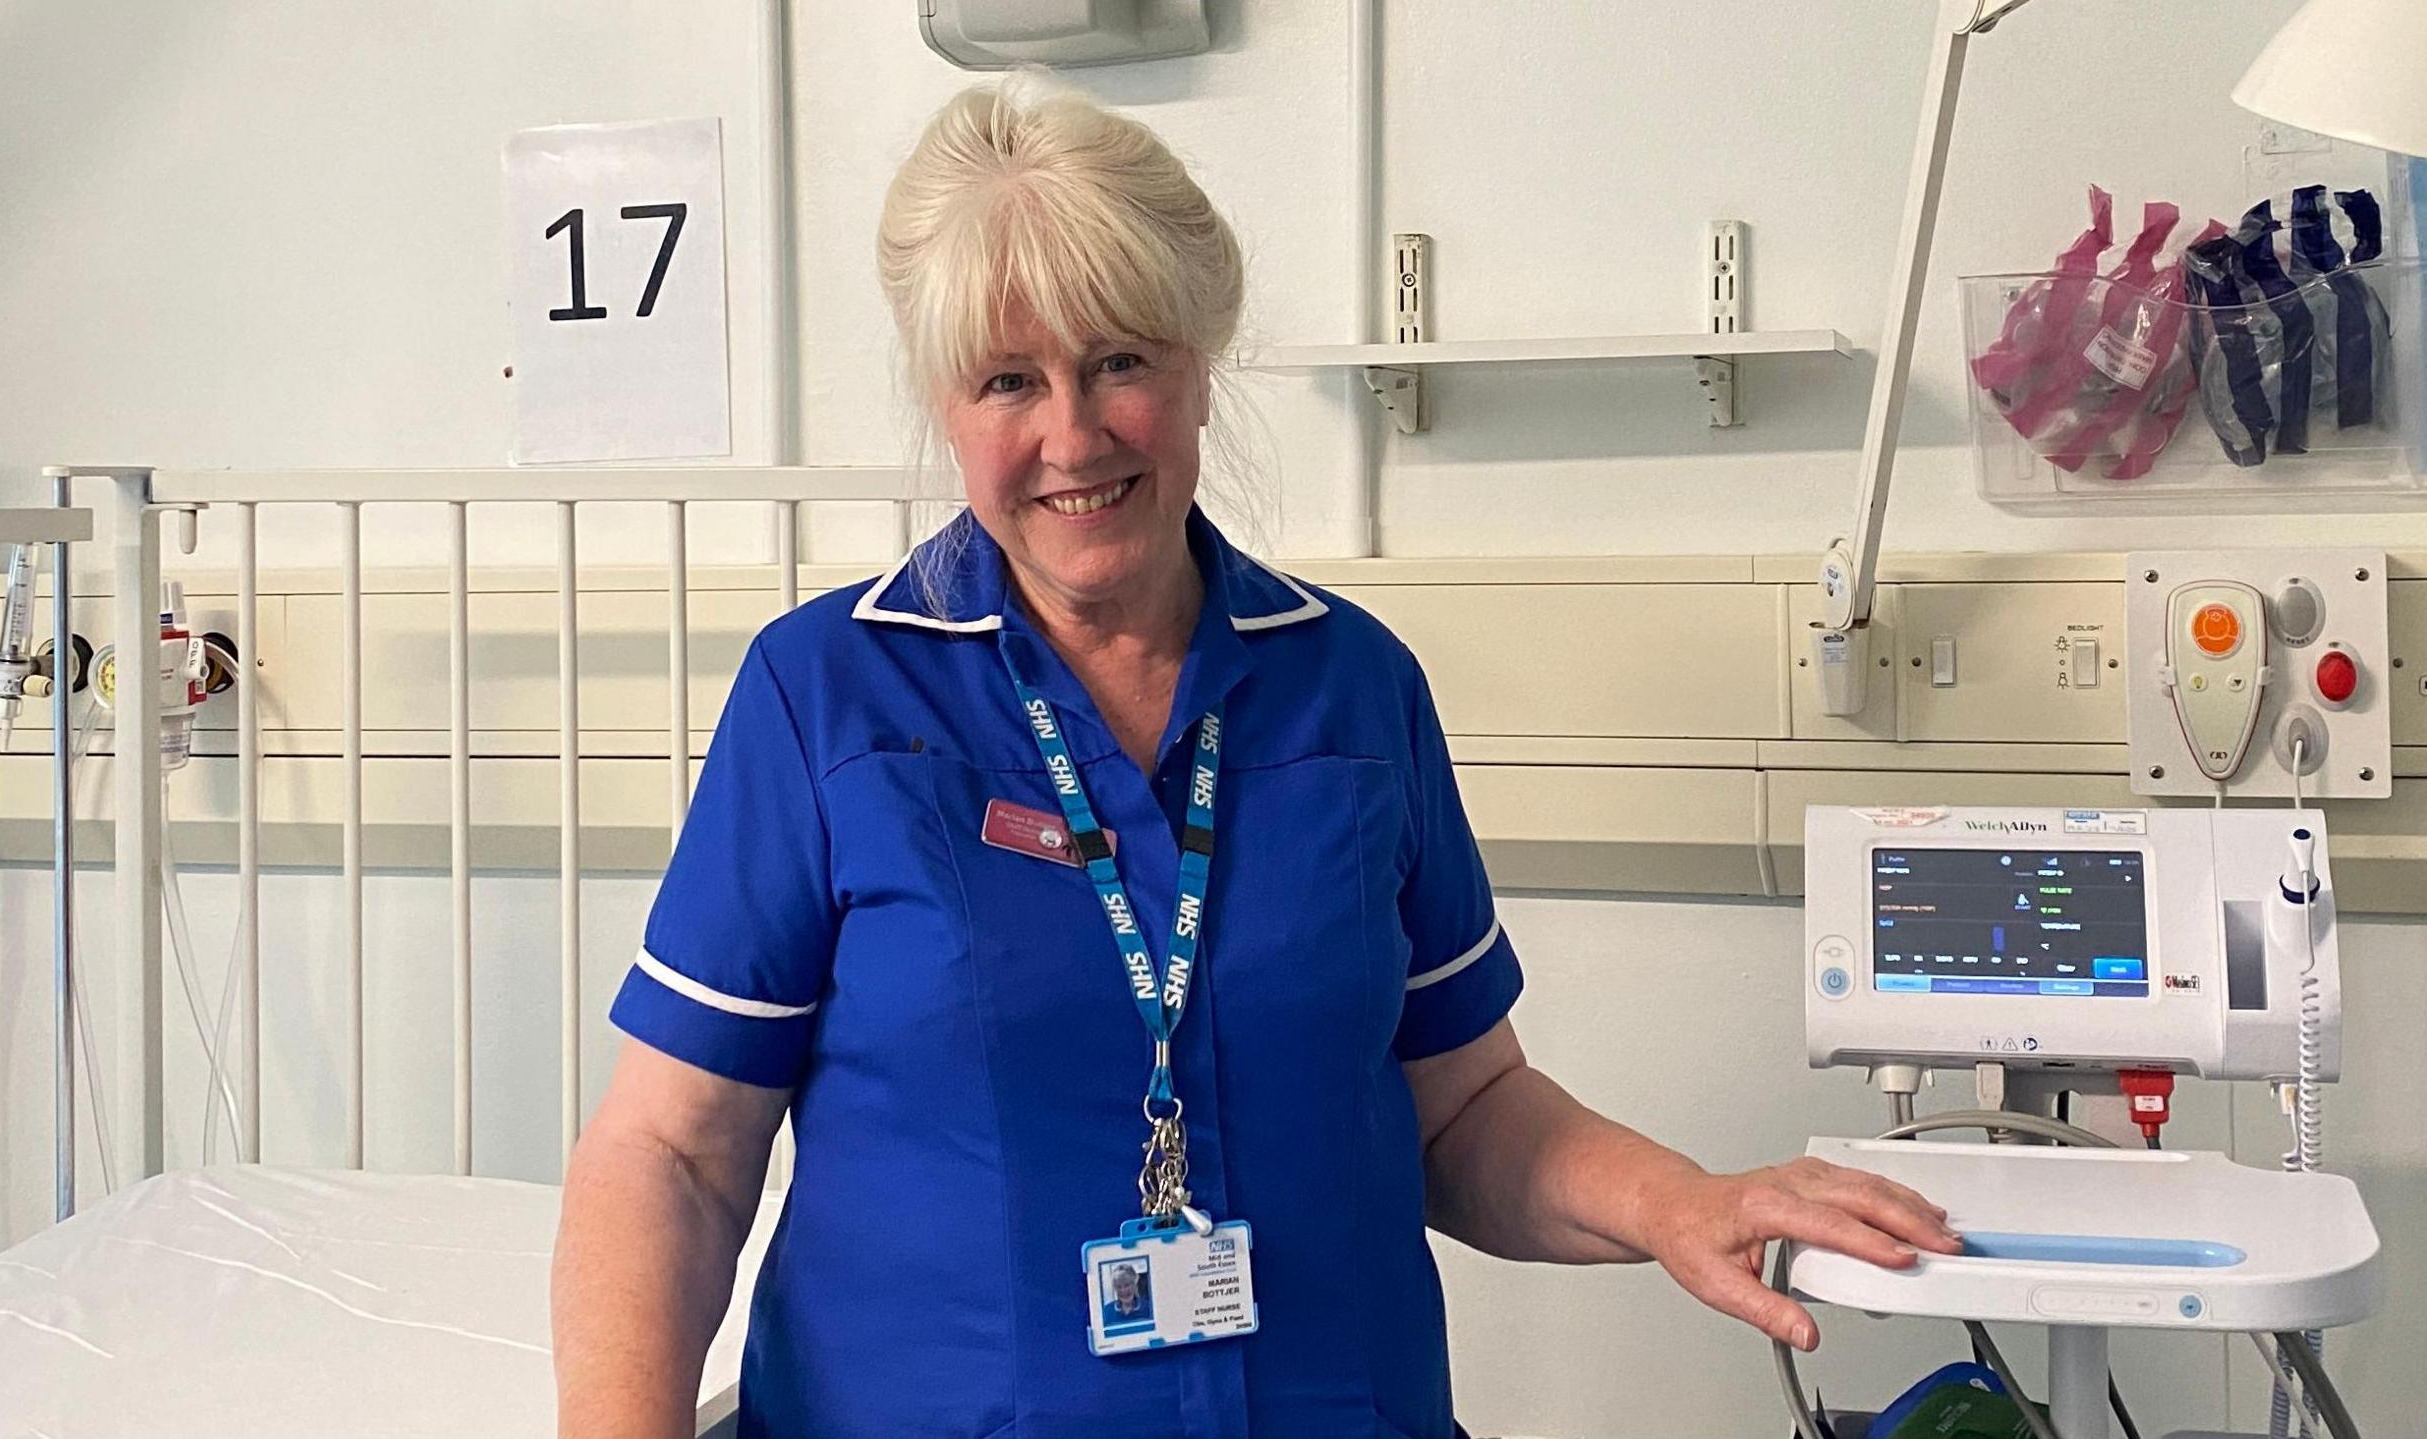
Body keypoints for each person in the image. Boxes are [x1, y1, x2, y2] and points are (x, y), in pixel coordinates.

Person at [551, 77, 1960, 1439]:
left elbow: (1462, 1106)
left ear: (1200, 366)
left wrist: (1678, 1202)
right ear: (945, 406)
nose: (1072, 434)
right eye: (1007, 380)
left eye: (1120, 362)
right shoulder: (830, 701)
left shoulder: (1350, 691)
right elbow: (672, 1155)